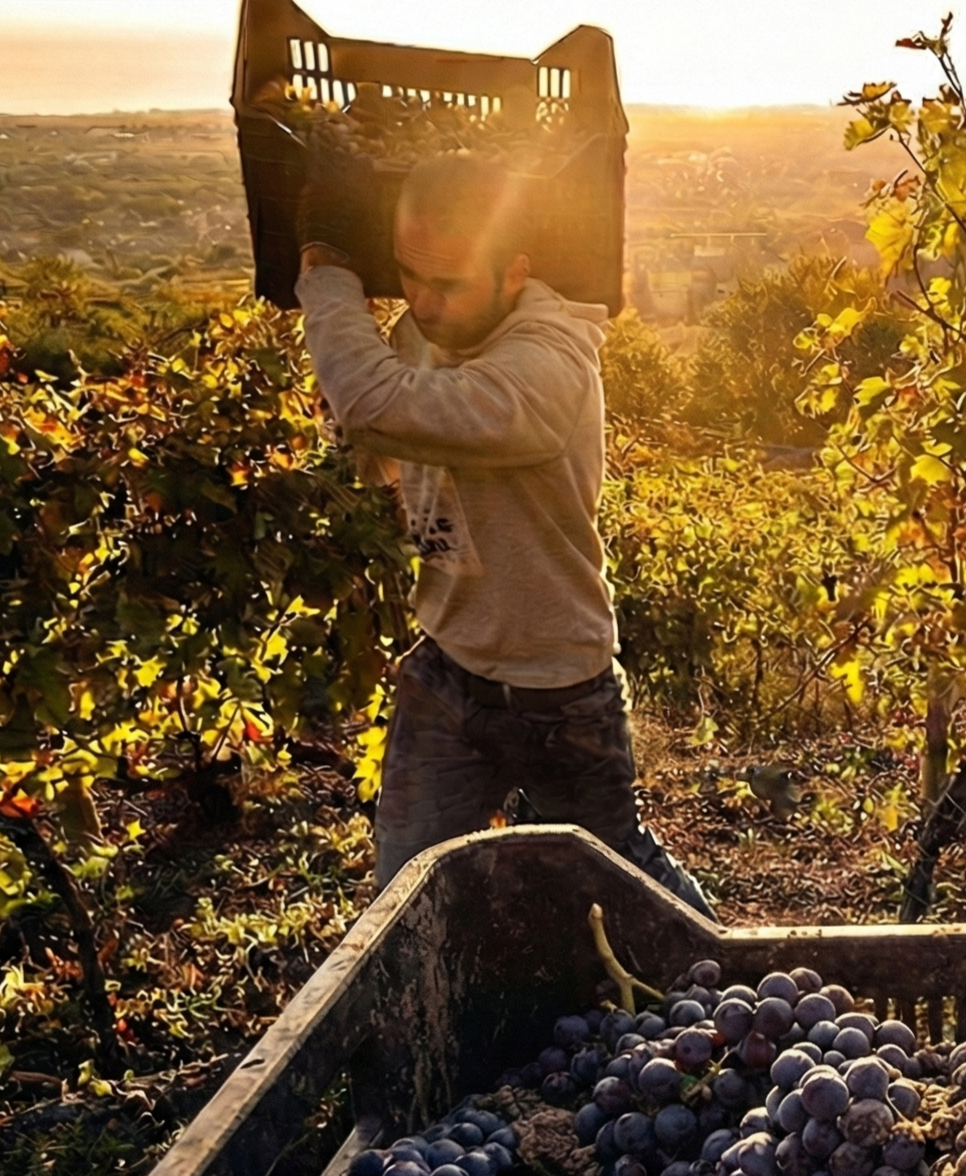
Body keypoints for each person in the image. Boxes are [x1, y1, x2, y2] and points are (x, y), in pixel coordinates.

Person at [294, 151, 715, 919]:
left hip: (558, 690)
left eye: (447, 284)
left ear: (514, 271)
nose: (421, 302)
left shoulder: (548, 369)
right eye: (407, 276)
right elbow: (383, 447)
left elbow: (378, 407)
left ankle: (741, 978)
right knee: (406, 890)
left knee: (620, 882)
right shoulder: (418, 333)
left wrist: (326, 275)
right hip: (447, 671)